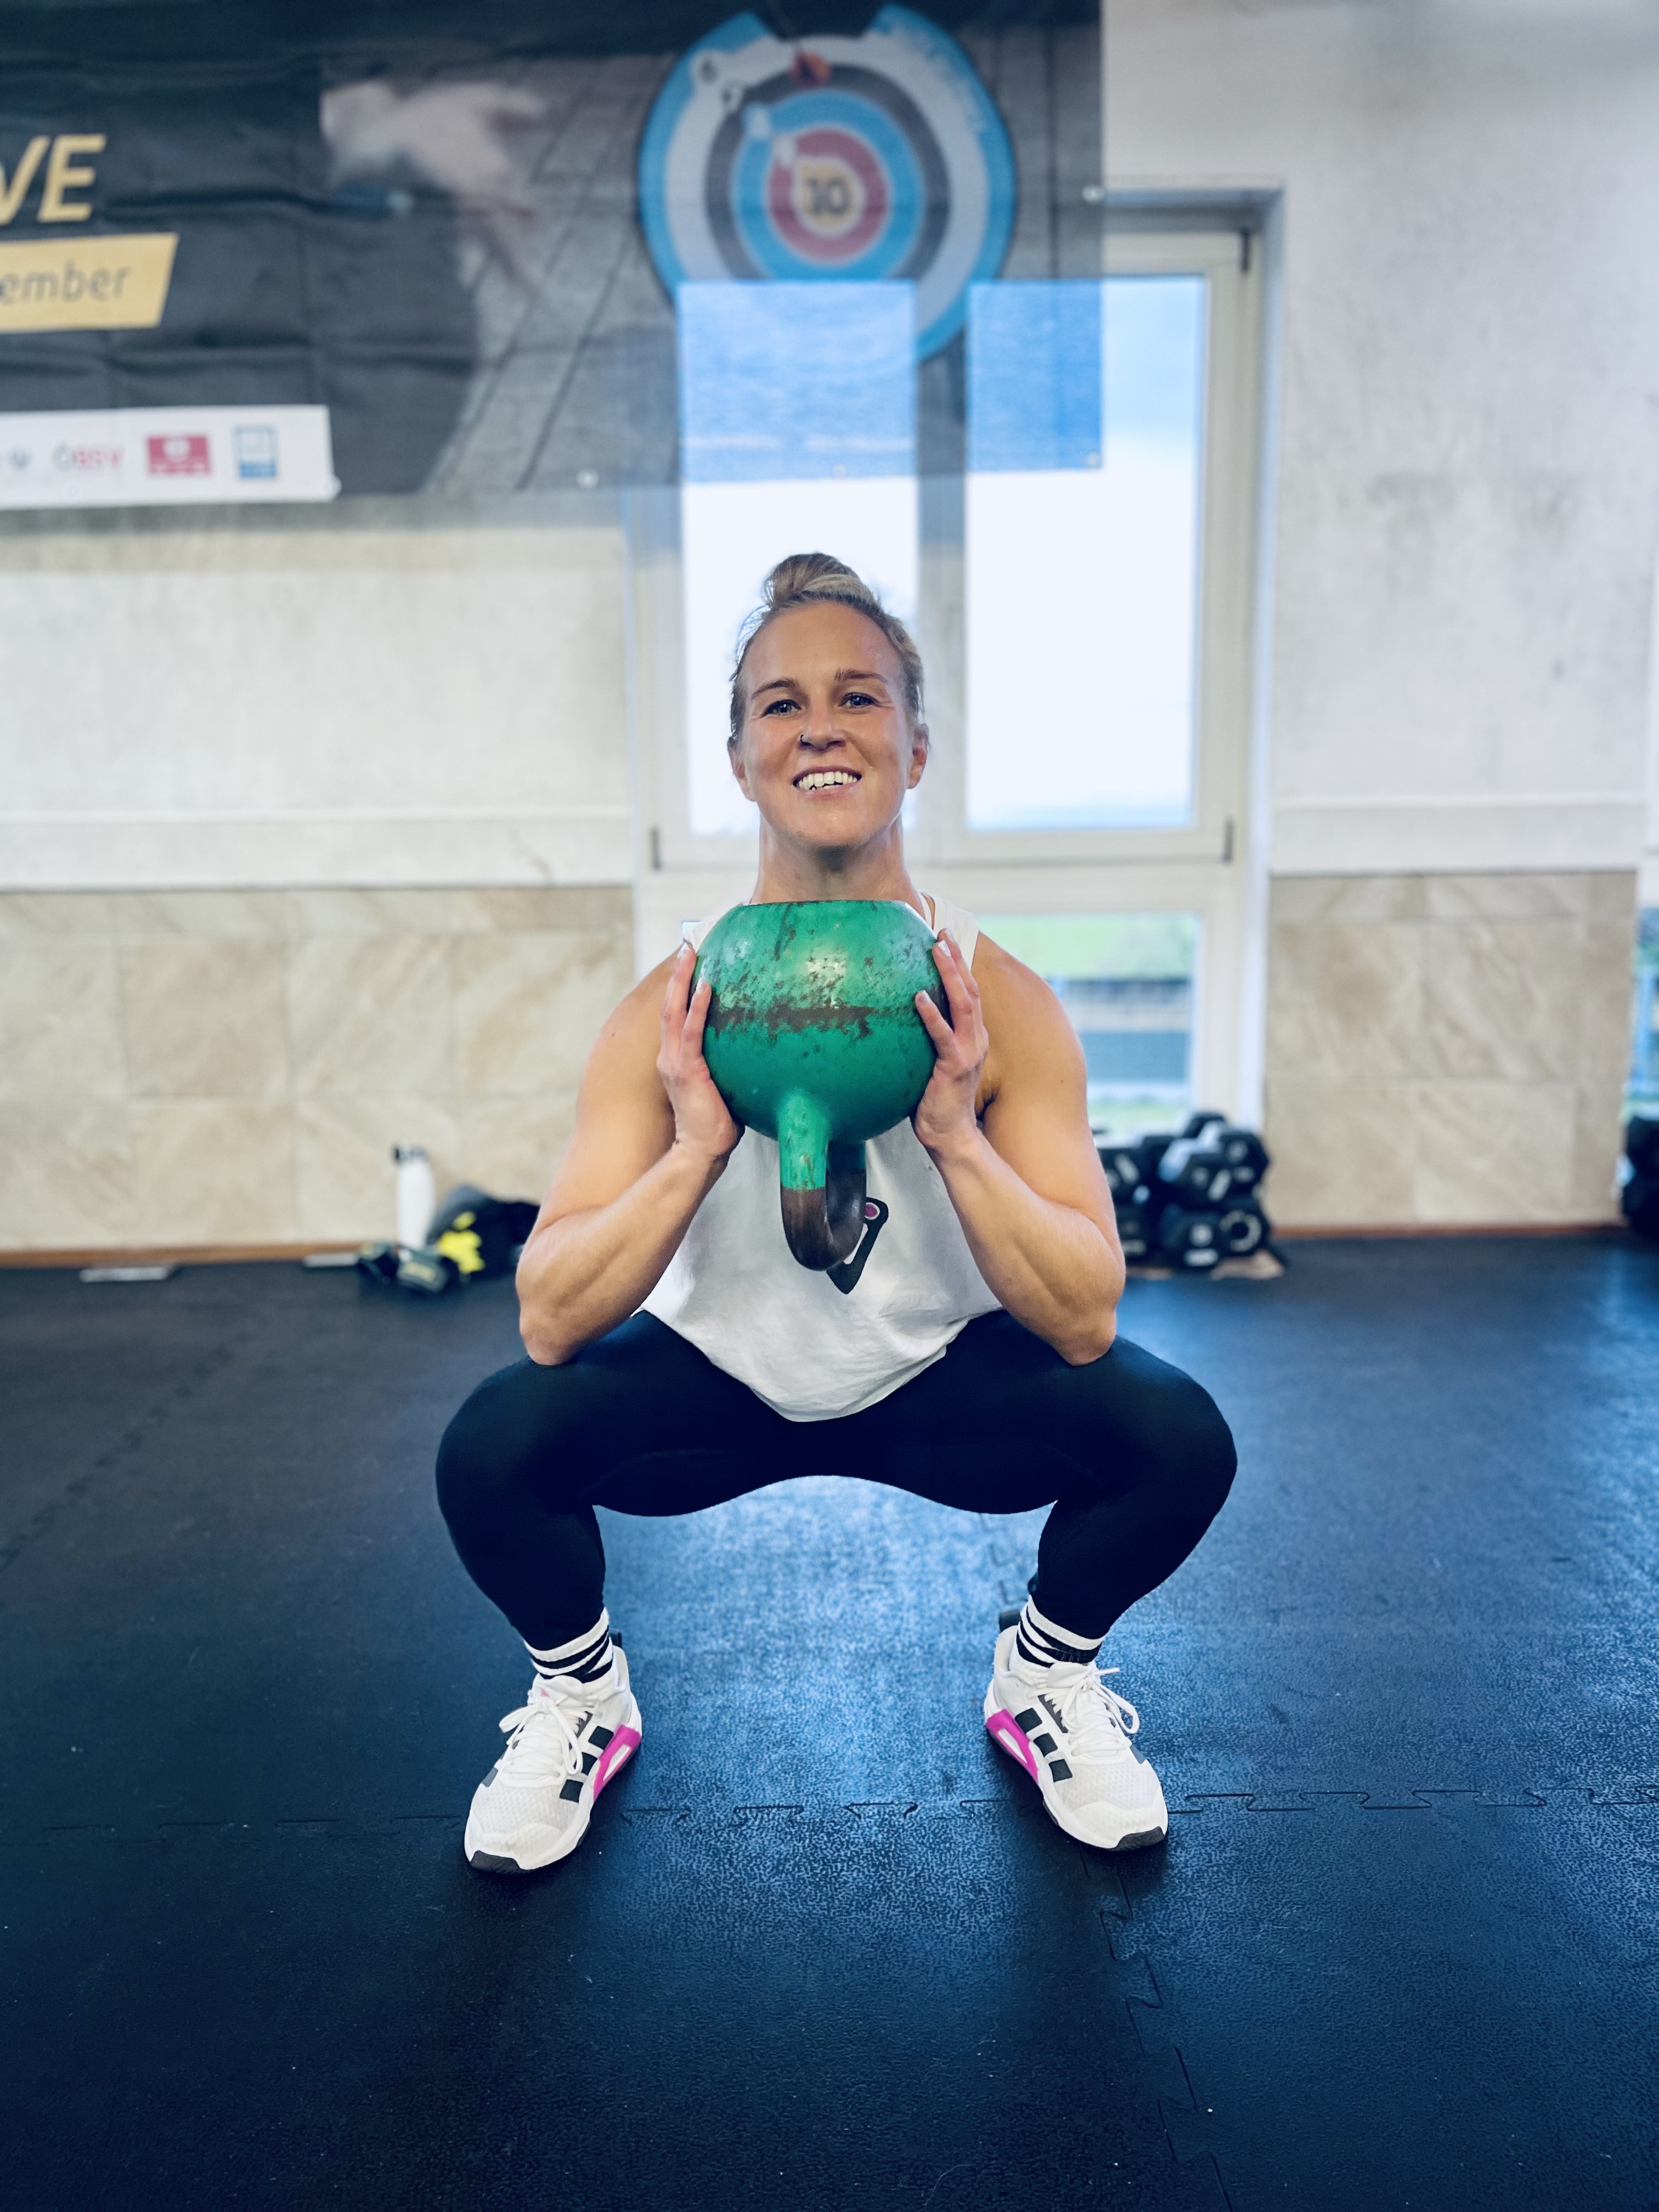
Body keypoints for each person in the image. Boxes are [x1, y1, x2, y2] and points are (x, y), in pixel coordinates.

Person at [436, 552, 1237, 1874]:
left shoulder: (1003, 1000)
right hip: (718, 1380)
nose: (820, 727)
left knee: (1177, 1437)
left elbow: (1087, 1315)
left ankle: (1045, 1673)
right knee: (491, 1446)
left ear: (915, 750)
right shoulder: (666, 1011)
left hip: (940, 1379)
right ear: (742, 759)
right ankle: (581, 1696)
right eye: (782, 703)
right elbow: (550, 1317)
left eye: (859, 697)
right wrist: (697, 1147)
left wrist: (956, 1135)